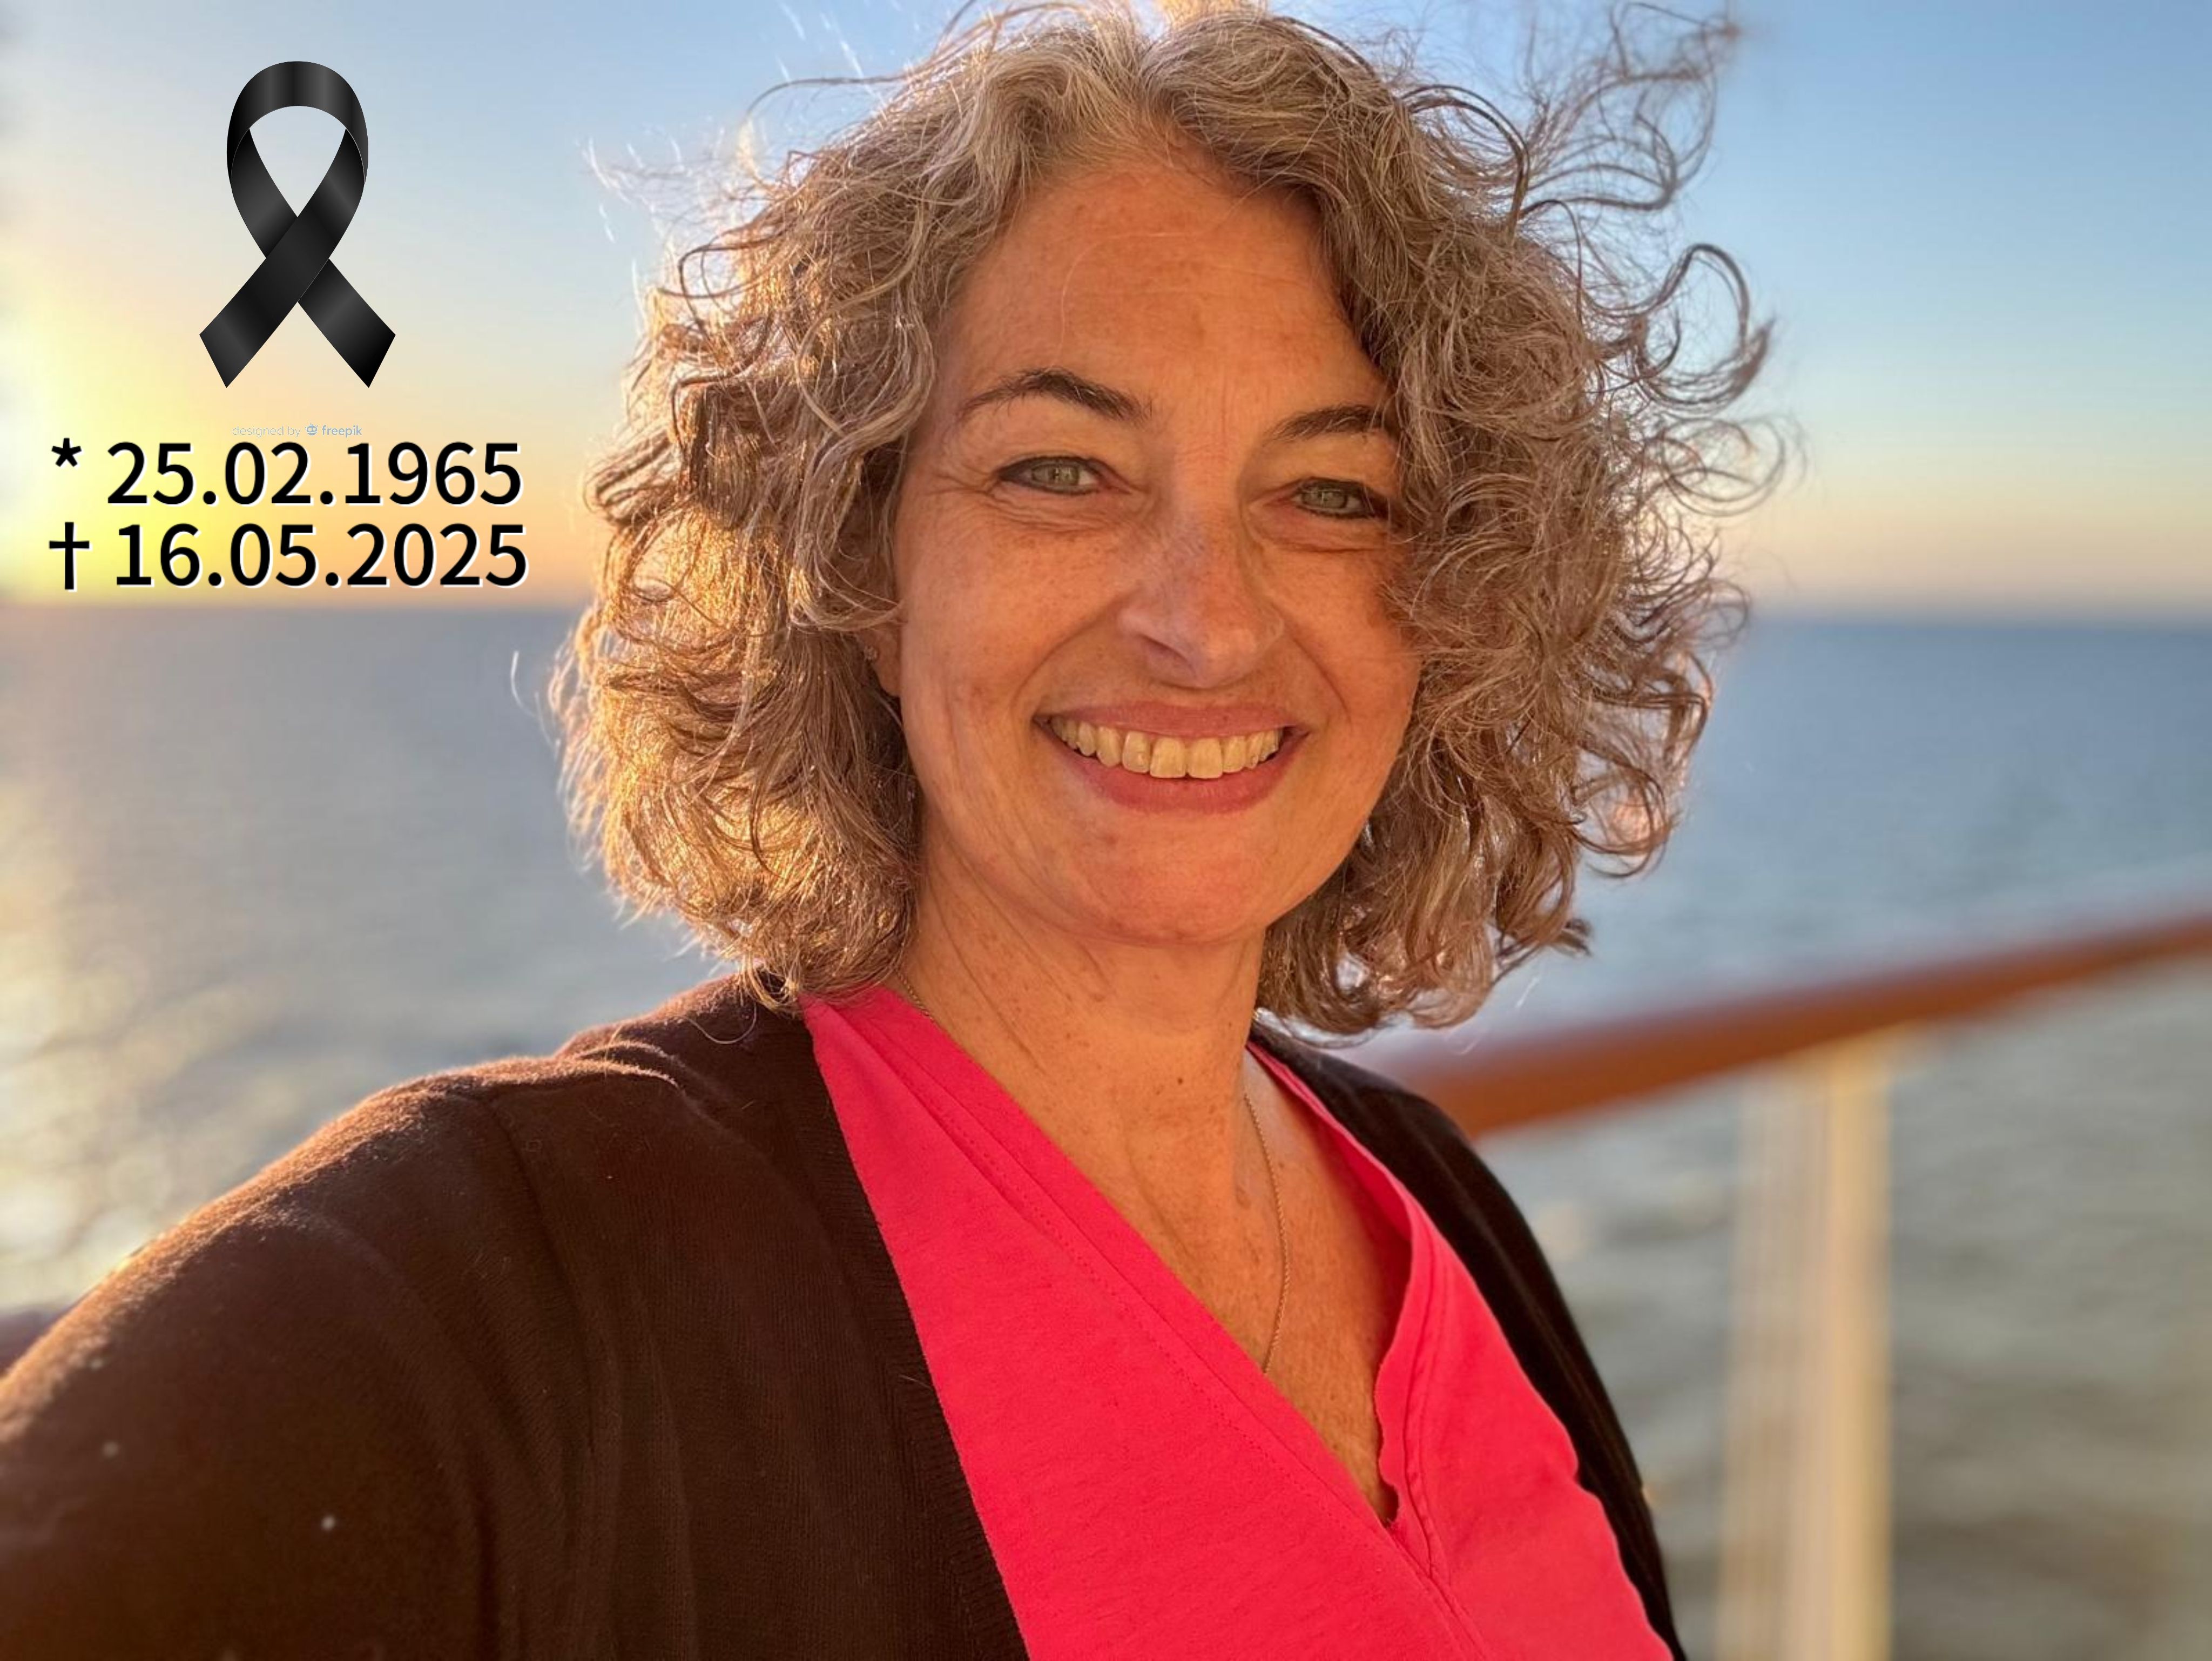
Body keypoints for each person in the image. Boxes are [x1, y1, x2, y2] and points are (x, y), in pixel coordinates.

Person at [0, 1, 1772, 1655]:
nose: (1210, 620)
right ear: (857, 559)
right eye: (1061, 469)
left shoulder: (1440, 1211)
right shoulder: (499, 1298)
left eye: (1331, 491)